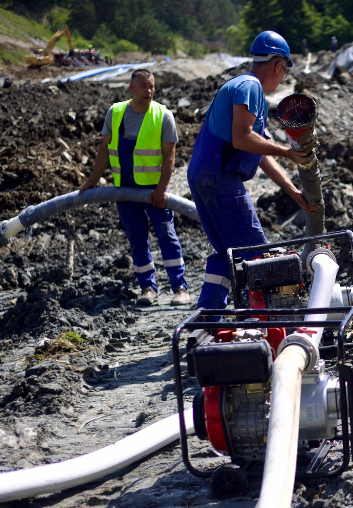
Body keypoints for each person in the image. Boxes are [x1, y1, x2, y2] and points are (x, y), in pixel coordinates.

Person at [187, 30, 317, 312]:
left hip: (204, 177)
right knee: (258, 254)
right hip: (220, 179)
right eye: (284, 72)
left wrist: (294, 192)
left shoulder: (242, 88)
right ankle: (267, 320)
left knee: (227, 254)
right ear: (277, 65)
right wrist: (287, 151)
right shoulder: (250, 86)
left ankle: (208, 319)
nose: (282, 78)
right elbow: (242, 138)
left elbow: (258, 152)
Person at [80, 69, 190, 306]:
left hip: (154, 192)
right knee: (137, 240)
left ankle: (180, 288)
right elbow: (104, 151)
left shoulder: (163, 115)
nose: (148, 92)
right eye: (143, 87)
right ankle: (148, 288)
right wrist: (92, 180)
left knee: (167, 236)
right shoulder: (116, 113)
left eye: (151, 87)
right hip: (126, 190)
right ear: (131, 88)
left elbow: (170, 156)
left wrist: (162, 189)